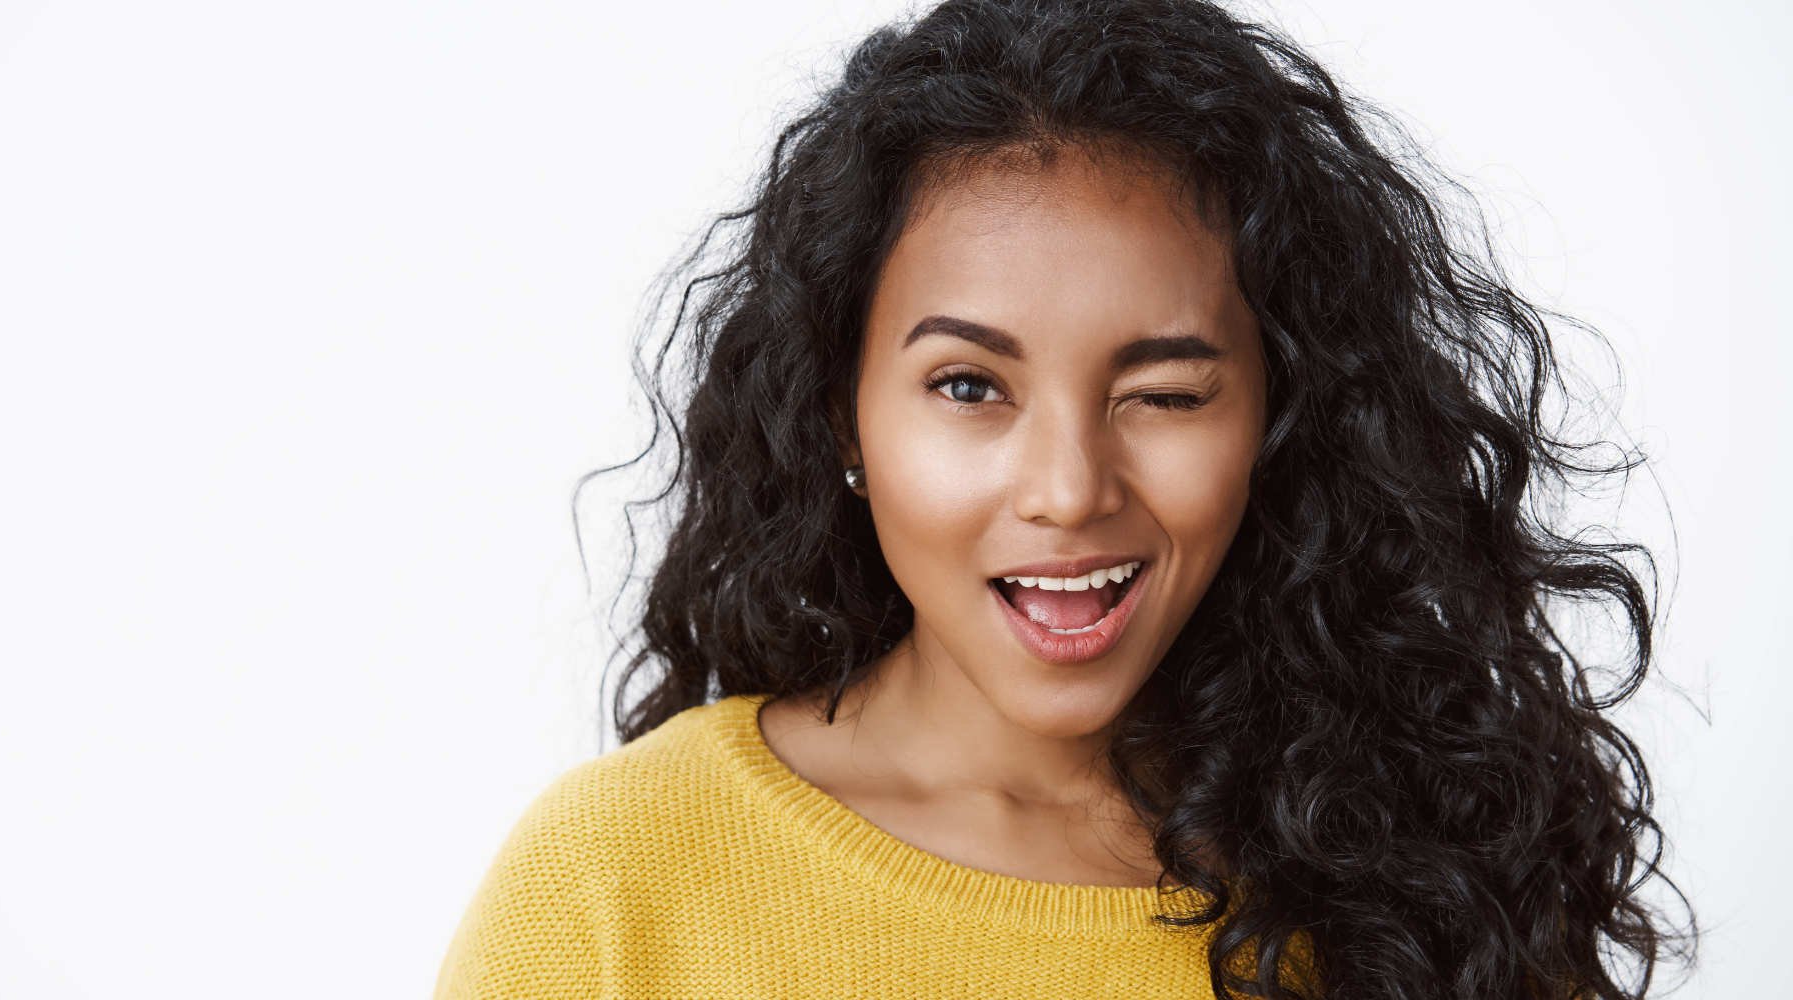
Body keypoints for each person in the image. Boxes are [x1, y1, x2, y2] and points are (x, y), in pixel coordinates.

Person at [434, 1, 1697, 997]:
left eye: (1165, 393)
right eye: (971, 386)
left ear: (1279, 418)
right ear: (841, 414)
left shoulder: (1429, 891)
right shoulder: (611, 888)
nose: (1067, 490)